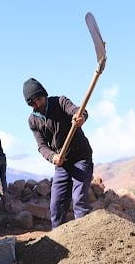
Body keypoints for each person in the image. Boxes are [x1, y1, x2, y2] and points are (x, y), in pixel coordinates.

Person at [23, 78, 93, 228]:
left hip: (80, 157)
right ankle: (58, 241)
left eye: (39, 99)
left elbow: (79, 111)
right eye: (32, 102)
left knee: (79, 200)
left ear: (44, 94)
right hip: (61, 163)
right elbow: (42, 146)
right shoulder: (33, 120)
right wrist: (52, 157)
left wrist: (80, 118)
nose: (37, 104)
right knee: (56, 205)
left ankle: (86, 238)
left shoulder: (60, 102)